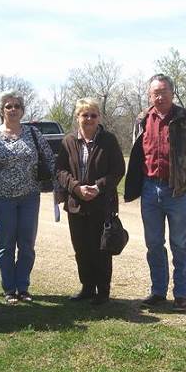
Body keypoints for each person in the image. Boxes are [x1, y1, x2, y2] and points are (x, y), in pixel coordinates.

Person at [124, 74, 186, 311]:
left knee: (179, 244)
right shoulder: (142, 119)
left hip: (177, 190)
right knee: (154, 243)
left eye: (164, 92)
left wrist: (185, 174)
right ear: (149, 96)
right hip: (150, 188)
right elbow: (139, 153)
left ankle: (181, 293)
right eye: (155, 93)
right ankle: (158, 291)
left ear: (172, 92)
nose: (159, 97)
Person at [0, 91, 55, 304]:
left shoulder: (33, 134)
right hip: (1, 199)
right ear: (2, 110)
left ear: (22, 110)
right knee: (6, 245)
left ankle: (23, 287)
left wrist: (59, 187)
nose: (13, 110)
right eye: (8, 106)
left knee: (27, 245)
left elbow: (49, 160)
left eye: (17, 106)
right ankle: (9, 289)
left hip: (30, 196)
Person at [56, 98, 125, 305]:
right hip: (76, 204)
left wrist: (98, 187)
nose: (89, 119)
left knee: (101, 249)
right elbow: (60, 170)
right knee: (82, 249)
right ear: (78, 117)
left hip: (101, 204)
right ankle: (87, 288)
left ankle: (103, 292)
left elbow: (118, 170)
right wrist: (76, 188)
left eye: (93, 115)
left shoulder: (109, 140)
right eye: (85, 115)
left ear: (99, 118)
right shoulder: (68, 141)